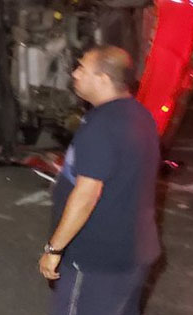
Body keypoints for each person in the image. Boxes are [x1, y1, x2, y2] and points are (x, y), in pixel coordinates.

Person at [40, 46, 161, 315]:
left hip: (96, 260)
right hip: (133, 252)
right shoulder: (138, 114)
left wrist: (54, 249)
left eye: (82, 68)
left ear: (103, 79)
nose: (74, 73)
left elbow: (87, 194)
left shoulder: (102, 126)